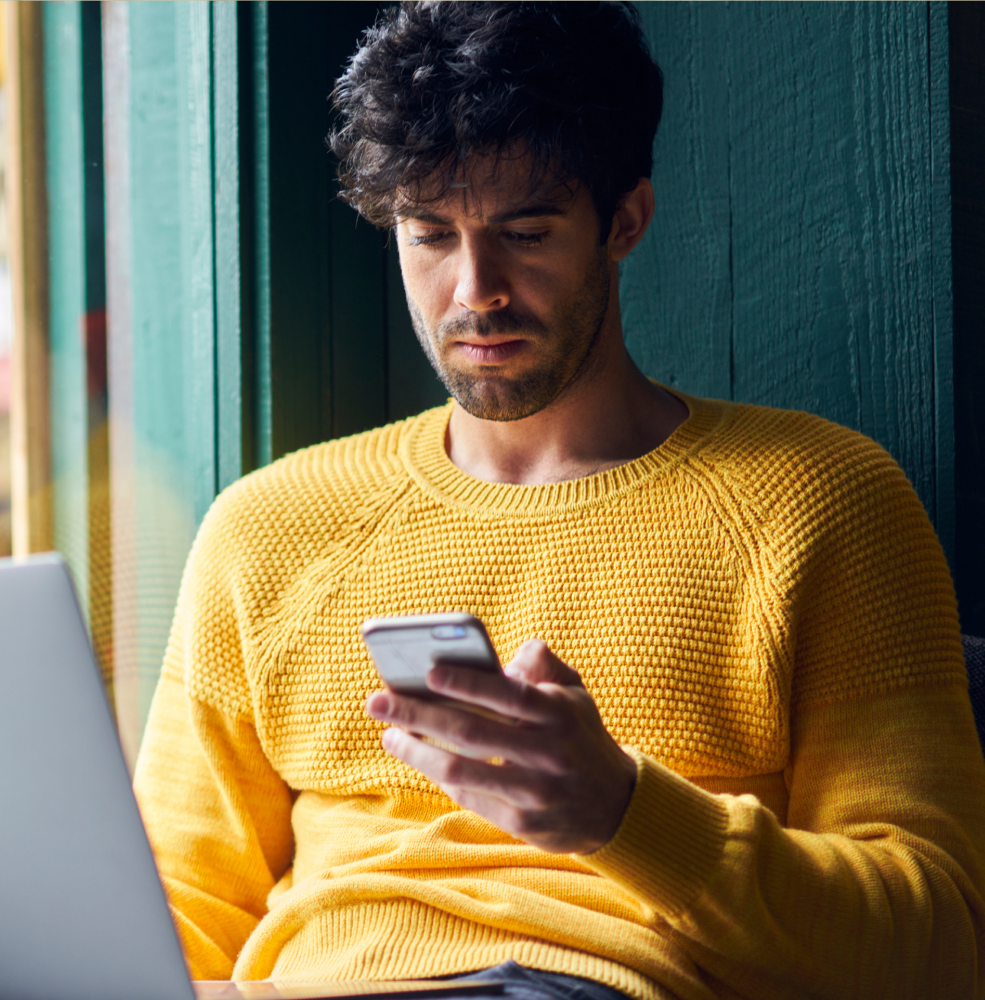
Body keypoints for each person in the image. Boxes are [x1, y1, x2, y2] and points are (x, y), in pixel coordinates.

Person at [130, 3, 985, 999]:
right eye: (428, 236)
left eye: (524, 232)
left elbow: (937, 944)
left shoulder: (815, 503)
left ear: (622, 220)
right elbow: (171, 917)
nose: (472, 290)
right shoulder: (265, 528)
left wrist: (622, 813)